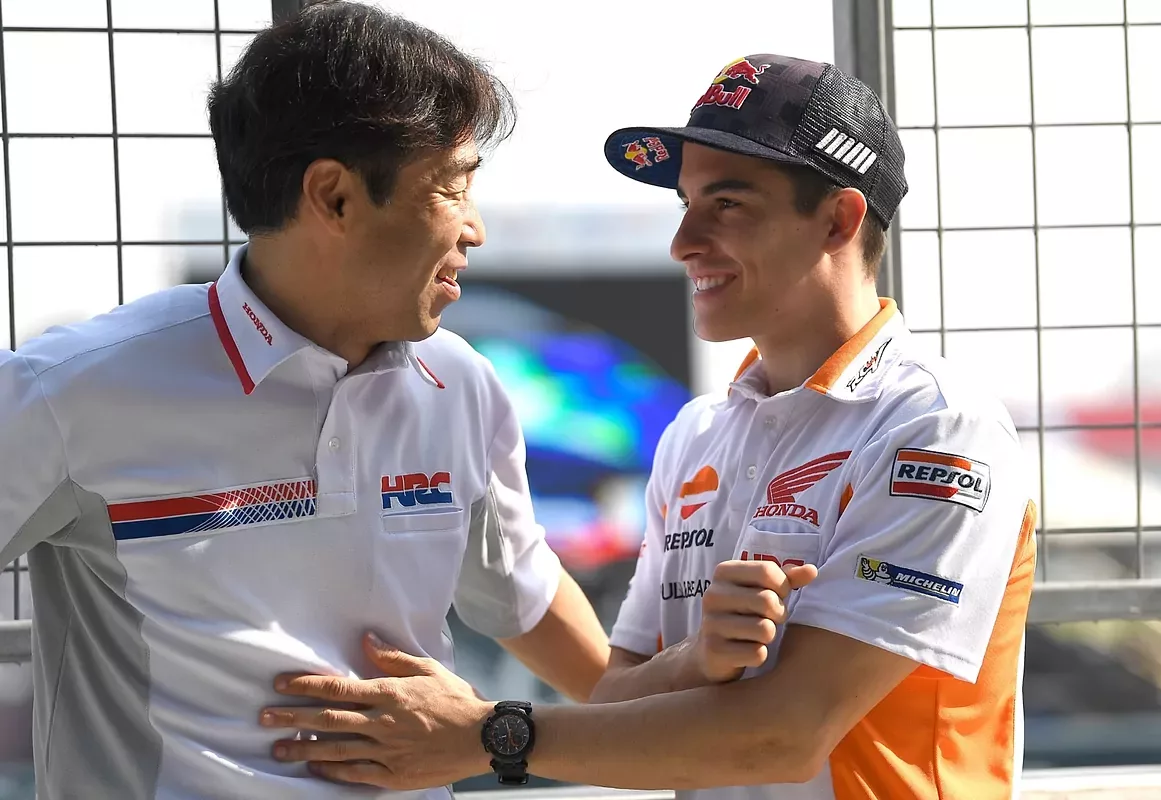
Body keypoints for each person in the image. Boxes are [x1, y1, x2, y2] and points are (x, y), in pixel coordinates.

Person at [261, 54, 1038, 799]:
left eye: (726, 205)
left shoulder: (939, 428)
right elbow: (614, 698)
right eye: (685, 205)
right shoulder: (695, 435)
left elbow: (787, 735)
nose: (683, 242)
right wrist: (697, 659)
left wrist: (484, 734)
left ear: (839, 219)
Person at [0, 2, 610, 797]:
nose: (475, 229)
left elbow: (522, 600)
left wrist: (678, 712)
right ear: (334, 196)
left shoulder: (461, 384)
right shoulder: (70, 392)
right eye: (454, 188)